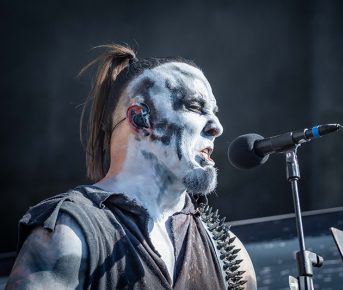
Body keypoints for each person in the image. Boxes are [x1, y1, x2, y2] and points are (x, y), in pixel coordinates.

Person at [6, 44, 257, 290]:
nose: (217, 127)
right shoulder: (69, 233)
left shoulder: (225, 248)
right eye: (194, 107)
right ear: (140, 118)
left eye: (213, 112)